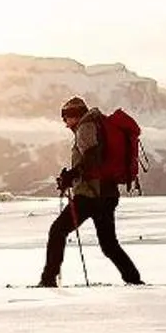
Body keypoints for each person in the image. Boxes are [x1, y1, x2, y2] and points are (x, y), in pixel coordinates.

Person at [40, 95, 142, 288]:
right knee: (109, 245)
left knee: (57, 231)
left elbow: (92, 158)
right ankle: (134, 279)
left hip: (90, 195)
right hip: (108, 193)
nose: (65, 123)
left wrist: (71, 175)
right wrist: (72, 176)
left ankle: (48, 279)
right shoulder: (97, 125)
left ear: (74, 116)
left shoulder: (85, 128)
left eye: (66, 118)